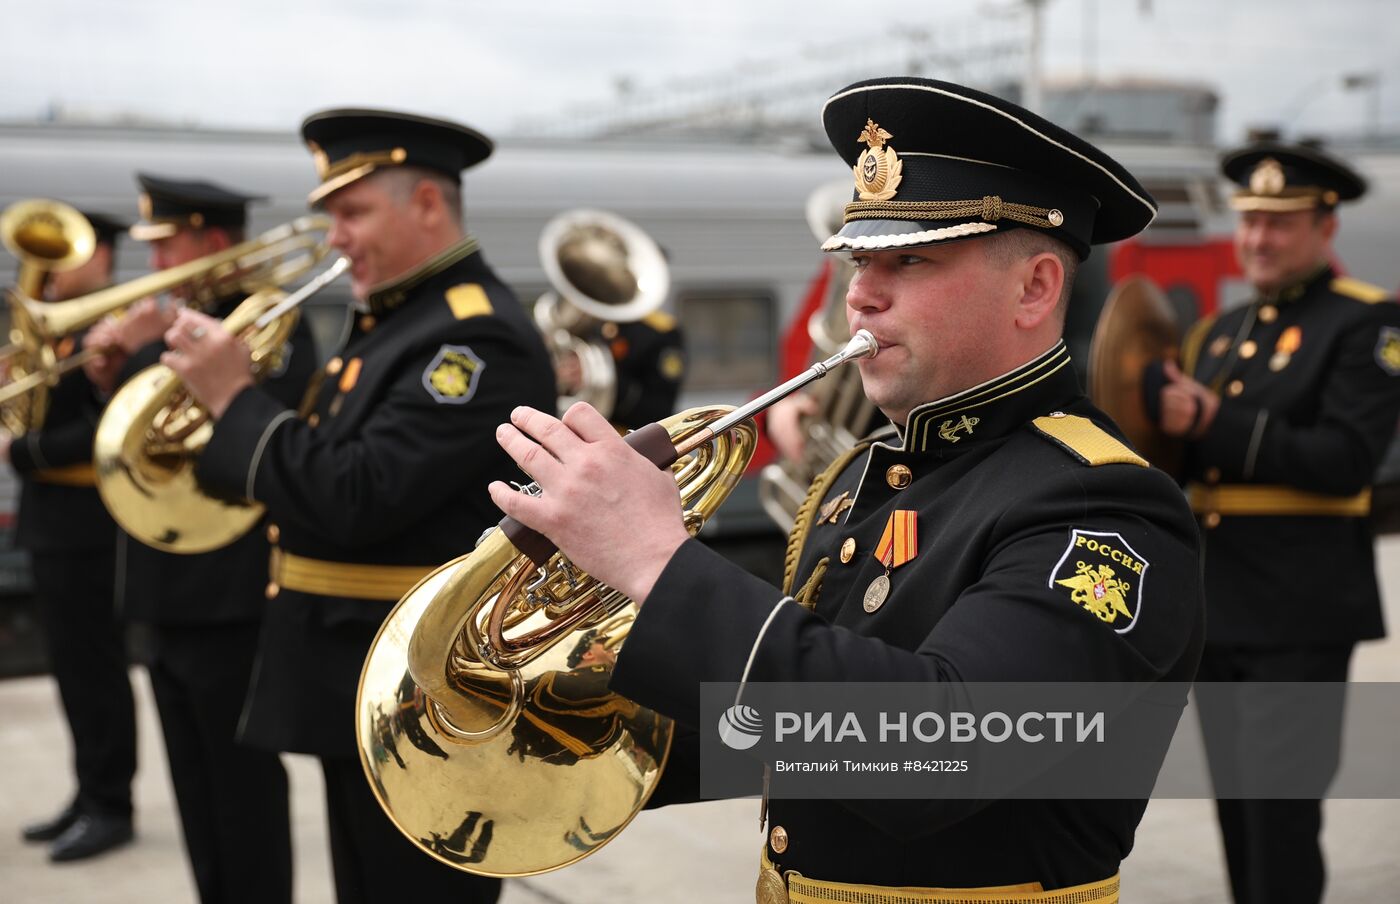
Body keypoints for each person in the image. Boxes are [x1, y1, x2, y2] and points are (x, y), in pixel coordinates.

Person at [487, 76, 1205, 897]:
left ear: (1035, 287)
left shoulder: (1105, 507)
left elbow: (935, 754)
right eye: (860, 259)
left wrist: (659, 562)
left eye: (910, 260)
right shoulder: (858, 477)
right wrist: (554, 720)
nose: (860, 293)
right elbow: (789, 723)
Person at [159, 108, 555, 903]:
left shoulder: (472, 339)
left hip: (423, 696)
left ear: (428, 207)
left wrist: (234, 398)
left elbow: (354, 496)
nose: (335, 237)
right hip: (360, 676)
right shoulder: (399, 322)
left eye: (353, 212)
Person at [1152, 138, 1400, 904]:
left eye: (1279, 222)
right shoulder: (1218, 333)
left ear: (1324, 227)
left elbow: (1346, 460)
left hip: (1300, 610)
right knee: (1236, 808)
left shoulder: (1367, 323)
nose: (1256, 237)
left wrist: (1211, 417)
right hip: (1219, 609)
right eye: (1250, 219)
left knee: (1280, 814)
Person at [82, 174, 316, 904]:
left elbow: (260, 442)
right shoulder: (176, 325)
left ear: (213, 242)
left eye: (168, 246)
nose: (155, 267)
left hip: (228, 589)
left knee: (239, 786)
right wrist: (112, 372)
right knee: (192, 784)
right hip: (164, 582)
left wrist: (163, 345)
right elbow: (141, 438)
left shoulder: (274, 318)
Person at [6, 212, 138, 863]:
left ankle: (111, 803)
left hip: (90, 523)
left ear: (102, 256)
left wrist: (19, 449)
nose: (54, 268)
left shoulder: (107, 332)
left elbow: (104, 430)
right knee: (71, 670)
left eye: (69, 254)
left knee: (96, 669)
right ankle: (88, 793)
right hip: (51, 520)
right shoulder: (52, 329)